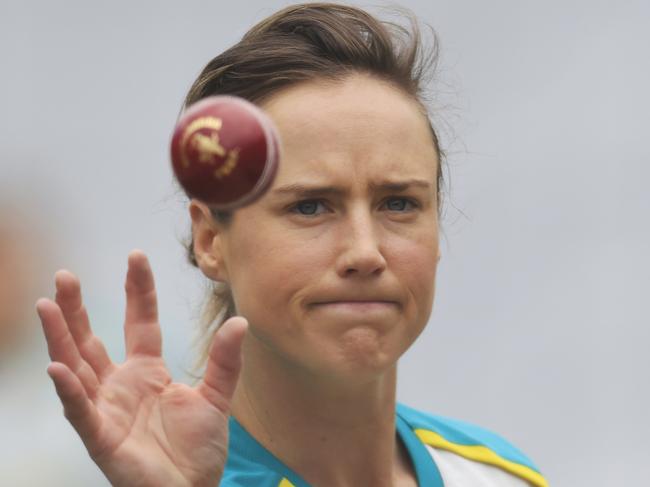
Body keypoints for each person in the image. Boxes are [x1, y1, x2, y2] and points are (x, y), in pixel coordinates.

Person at [36, 3, 549, 486]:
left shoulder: (498, 474)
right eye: (309, 206)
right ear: (212, 240)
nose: (365, 252)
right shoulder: (167, 477)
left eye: (398, 204)